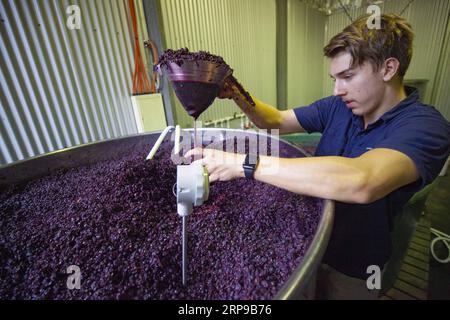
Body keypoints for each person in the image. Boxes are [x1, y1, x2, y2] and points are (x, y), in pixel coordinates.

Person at [185, 14, 450, 299]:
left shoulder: (426, 126)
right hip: (307, 242)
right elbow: (273, 119)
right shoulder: (339, 107)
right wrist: (236, 92)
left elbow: (363, 180)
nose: (337, 90)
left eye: (348, 77)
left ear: (388, 68)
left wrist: (244, 164)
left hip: (354, 266)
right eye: (335, 79)